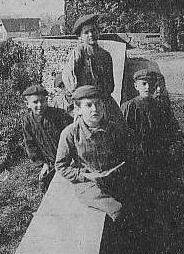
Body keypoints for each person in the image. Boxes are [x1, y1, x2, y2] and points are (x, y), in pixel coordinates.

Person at [54, 85, 138, 221]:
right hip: (89, 184)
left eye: (98, 104)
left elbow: (126, 153)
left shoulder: (114, 129)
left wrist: (120, 169)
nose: (95, 109)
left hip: (115, 178)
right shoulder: (70, 133)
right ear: (78, 110)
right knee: (117, 210)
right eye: (89, 105)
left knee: (137, 202)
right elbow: (61, 166)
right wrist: (83, 175)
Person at [121, 69, 184, 181]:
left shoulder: (160, 106)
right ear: (136, 86)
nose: (147, 87)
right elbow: (124, 133)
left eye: (151, 84)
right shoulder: (129, 107)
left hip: (157, 152)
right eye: (143, 84)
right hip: (137, 153)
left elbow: (170, 129)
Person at [61, 13, 124, 123]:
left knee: (118, 124)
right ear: (80, 37)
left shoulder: (105, 55)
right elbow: (69, 79)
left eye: (94, 31)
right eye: (86, 33)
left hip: (103, 100)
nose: (91, 34)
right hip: (85, 100)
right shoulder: (78, 53)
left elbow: (110, 84)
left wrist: (103, 97)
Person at [21, 83, 74, 194]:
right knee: (49, 189)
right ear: (28, 104)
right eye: (35, 102)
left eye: (42, 101)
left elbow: (73, 132)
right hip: (50, 163)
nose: (40, 105)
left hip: (68, 159)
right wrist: (42, 164)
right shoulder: (28, 121)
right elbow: (30, 145)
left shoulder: (59, 114)